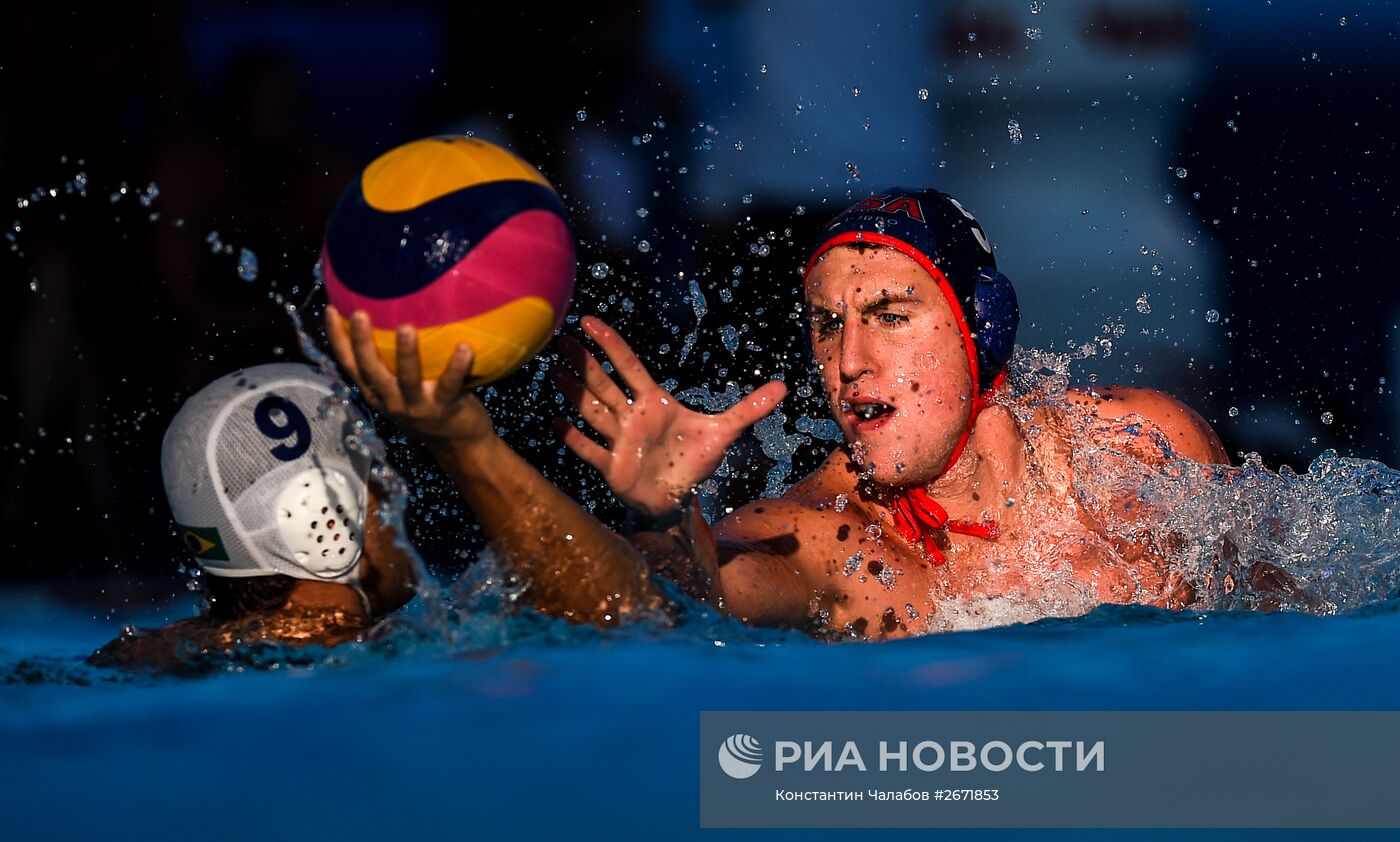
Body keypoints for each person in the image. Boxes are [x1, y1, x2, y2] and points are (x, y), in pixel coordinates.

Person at [328, 187, 1233, 639]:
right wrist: (660, 513)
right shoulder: (825, 541)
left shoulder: (1143, 447)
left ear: (980, 330)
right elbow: (652, 613)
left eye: (888, 317)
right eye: (827, 325)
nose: (848, 362)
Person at [88, 363, 417, 672]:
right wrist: (462, 439)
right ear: (327, 518)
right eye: (378, 473)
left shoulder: (145, 652)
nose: (397, 491)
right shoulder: (382, 654)